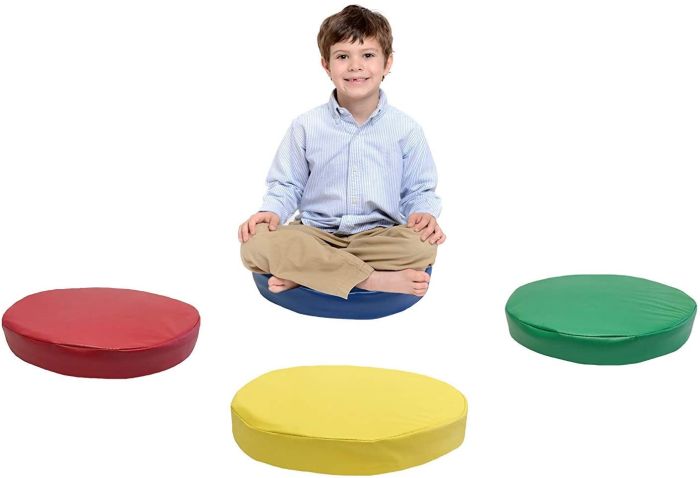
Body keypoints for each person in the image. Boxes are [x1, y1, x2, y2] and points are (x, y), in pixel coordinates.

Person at [238, 4, 446, 299]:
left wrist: (424, 214)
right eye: (343, 56)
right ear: (326, 65)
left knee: (421, 246)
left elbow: (419, 189)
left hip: (378, 236)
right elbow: (286, 185)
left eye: (368, 55)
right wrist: (271, 211)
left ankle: (309, 273)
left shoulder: (406, 129)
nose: (355, 66)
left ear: (387, 63)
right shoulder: (306, 126)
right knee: (254, 244)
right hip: (315, 235)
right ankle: (367, 280)